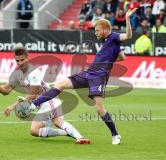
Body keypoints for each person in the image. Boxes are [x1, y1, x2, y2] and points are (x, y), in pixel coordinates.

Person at [29, 8, 138, 145]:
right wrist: (111, 59)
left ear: (105, 29)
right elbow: (122, 57)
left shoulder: (114, 36)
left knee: (99, 108)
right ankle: (35, 104)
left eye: (97, 30)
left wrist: (127, 19)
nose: (95, 33)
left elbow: (127, 36)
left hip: (99, 77)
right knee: (60, 84)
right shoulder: (109, 42)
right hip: (89, 73)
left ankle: (115, 135)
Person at [0, 46, 90, 144]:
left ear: (27, 58)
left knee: (56, 121)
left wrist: (13, 106)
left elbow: (33, 94)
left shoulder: (33, 72)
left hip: (49, 100)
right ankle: (67, 132)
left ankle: (80, 138)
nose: (20, 63)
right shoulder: (17, 74)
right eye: (17, 60)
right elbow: (6, 90)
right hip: (40, 104)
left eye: (22, 60)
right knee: (34, 131)